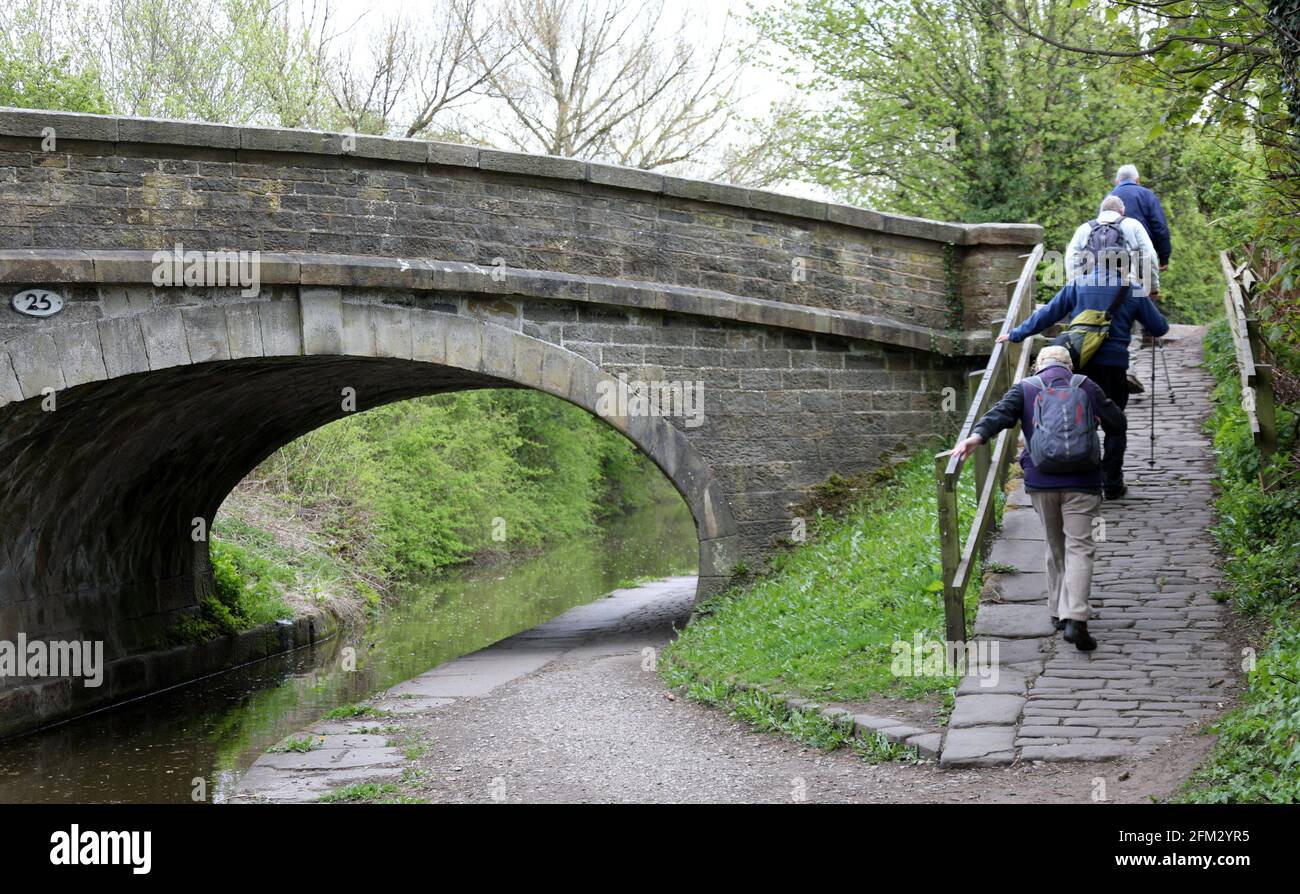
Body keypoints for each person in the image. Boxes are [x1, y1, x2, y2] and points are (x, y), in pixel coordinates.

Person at [951, 346, 1127, 651]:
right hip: (1083, 481)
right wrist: (1109, 472)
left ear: (1037, 367)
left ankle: (1057, 612)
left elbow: (1000, 415)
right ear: (1069, 367)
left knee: (1054, 545)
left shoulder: (1025, 388)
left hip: (1041, 482)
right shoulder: (1086, 385)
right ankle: (1076, 618)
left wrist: (976, 437)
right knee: (1080, 547)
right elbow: (1118, 424)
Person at [997, 266, 1169, 500]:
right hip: (1113, 367)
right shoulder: (1133, 289)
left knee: (1076, 419)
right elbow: (1159, 327)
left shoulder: (1078, 284)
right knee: (1115, 424)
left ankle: (1077, 480)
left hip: (1078, 366)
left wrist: (1016, 334)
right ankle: (1112, 484)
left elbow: (1048, 313)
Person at [1065, 195, 1161, 295]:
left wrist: (1078, 287)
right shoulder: (1133, 225)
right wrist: (1152, 287)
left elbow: (1071, 258)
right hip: (1126, 290)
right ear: (1122, 211)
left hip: (1091, 290)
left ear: (1101, 211)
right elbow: (1149, 255)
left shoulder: (1084, 229)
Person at [1109, 164, 1171, 271]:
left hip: (1113, 257)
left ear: (1117, 181)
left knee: (1117, 286)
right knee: (1141, 287)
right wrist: (1163, 257)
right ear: (1137, 180)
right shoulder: (1147, 195)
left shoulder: (1109, 199)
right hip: (1141, 255)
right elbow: (1160, 227)